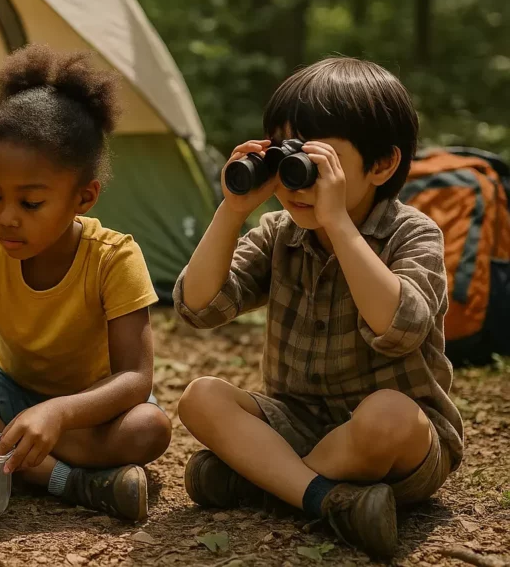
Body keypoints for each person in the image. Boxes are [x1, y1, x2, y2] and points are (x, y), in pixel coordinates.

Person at [173, 57, 463, 558]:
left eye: (315, 163)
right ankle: (322, 497)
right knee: (201, 396)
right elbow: (199, 307)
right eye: (286, 160)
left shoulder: (412, 233)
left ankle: (265, 477)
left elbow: (401, 327)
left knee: (388, 416)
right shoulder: (279, 235)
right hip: (298, 418)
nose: (295, 181)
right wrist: (232, 209)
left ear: (382, 164)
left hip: (396, 444)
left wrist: (338, 225)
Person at [0, 44, 173, 521]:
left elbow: (135, 377)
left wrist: (60, 413)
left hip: (89, 405)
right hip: (11, 390)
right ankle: (66, 479)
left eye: (31, 203)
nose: (5, 218)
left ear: (83, 197)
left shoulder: (115, 257)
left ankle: (12, 456)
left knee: (150, 427)